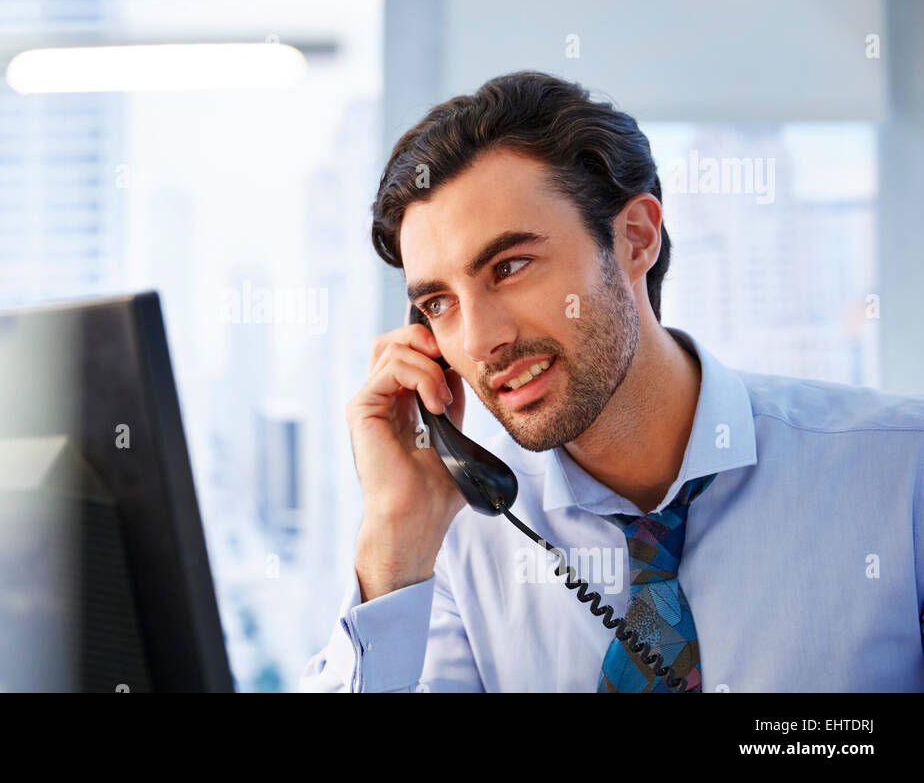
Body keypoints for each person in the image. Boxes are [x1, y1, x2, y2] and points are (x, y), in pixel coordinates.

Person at [301, 70, 924, 692]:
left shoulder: (902, 471)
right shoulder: (457, 548)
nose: (477, 340)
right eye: (438, 303)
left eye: (509, 266)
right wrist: (392, 540)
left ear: (635, 239)